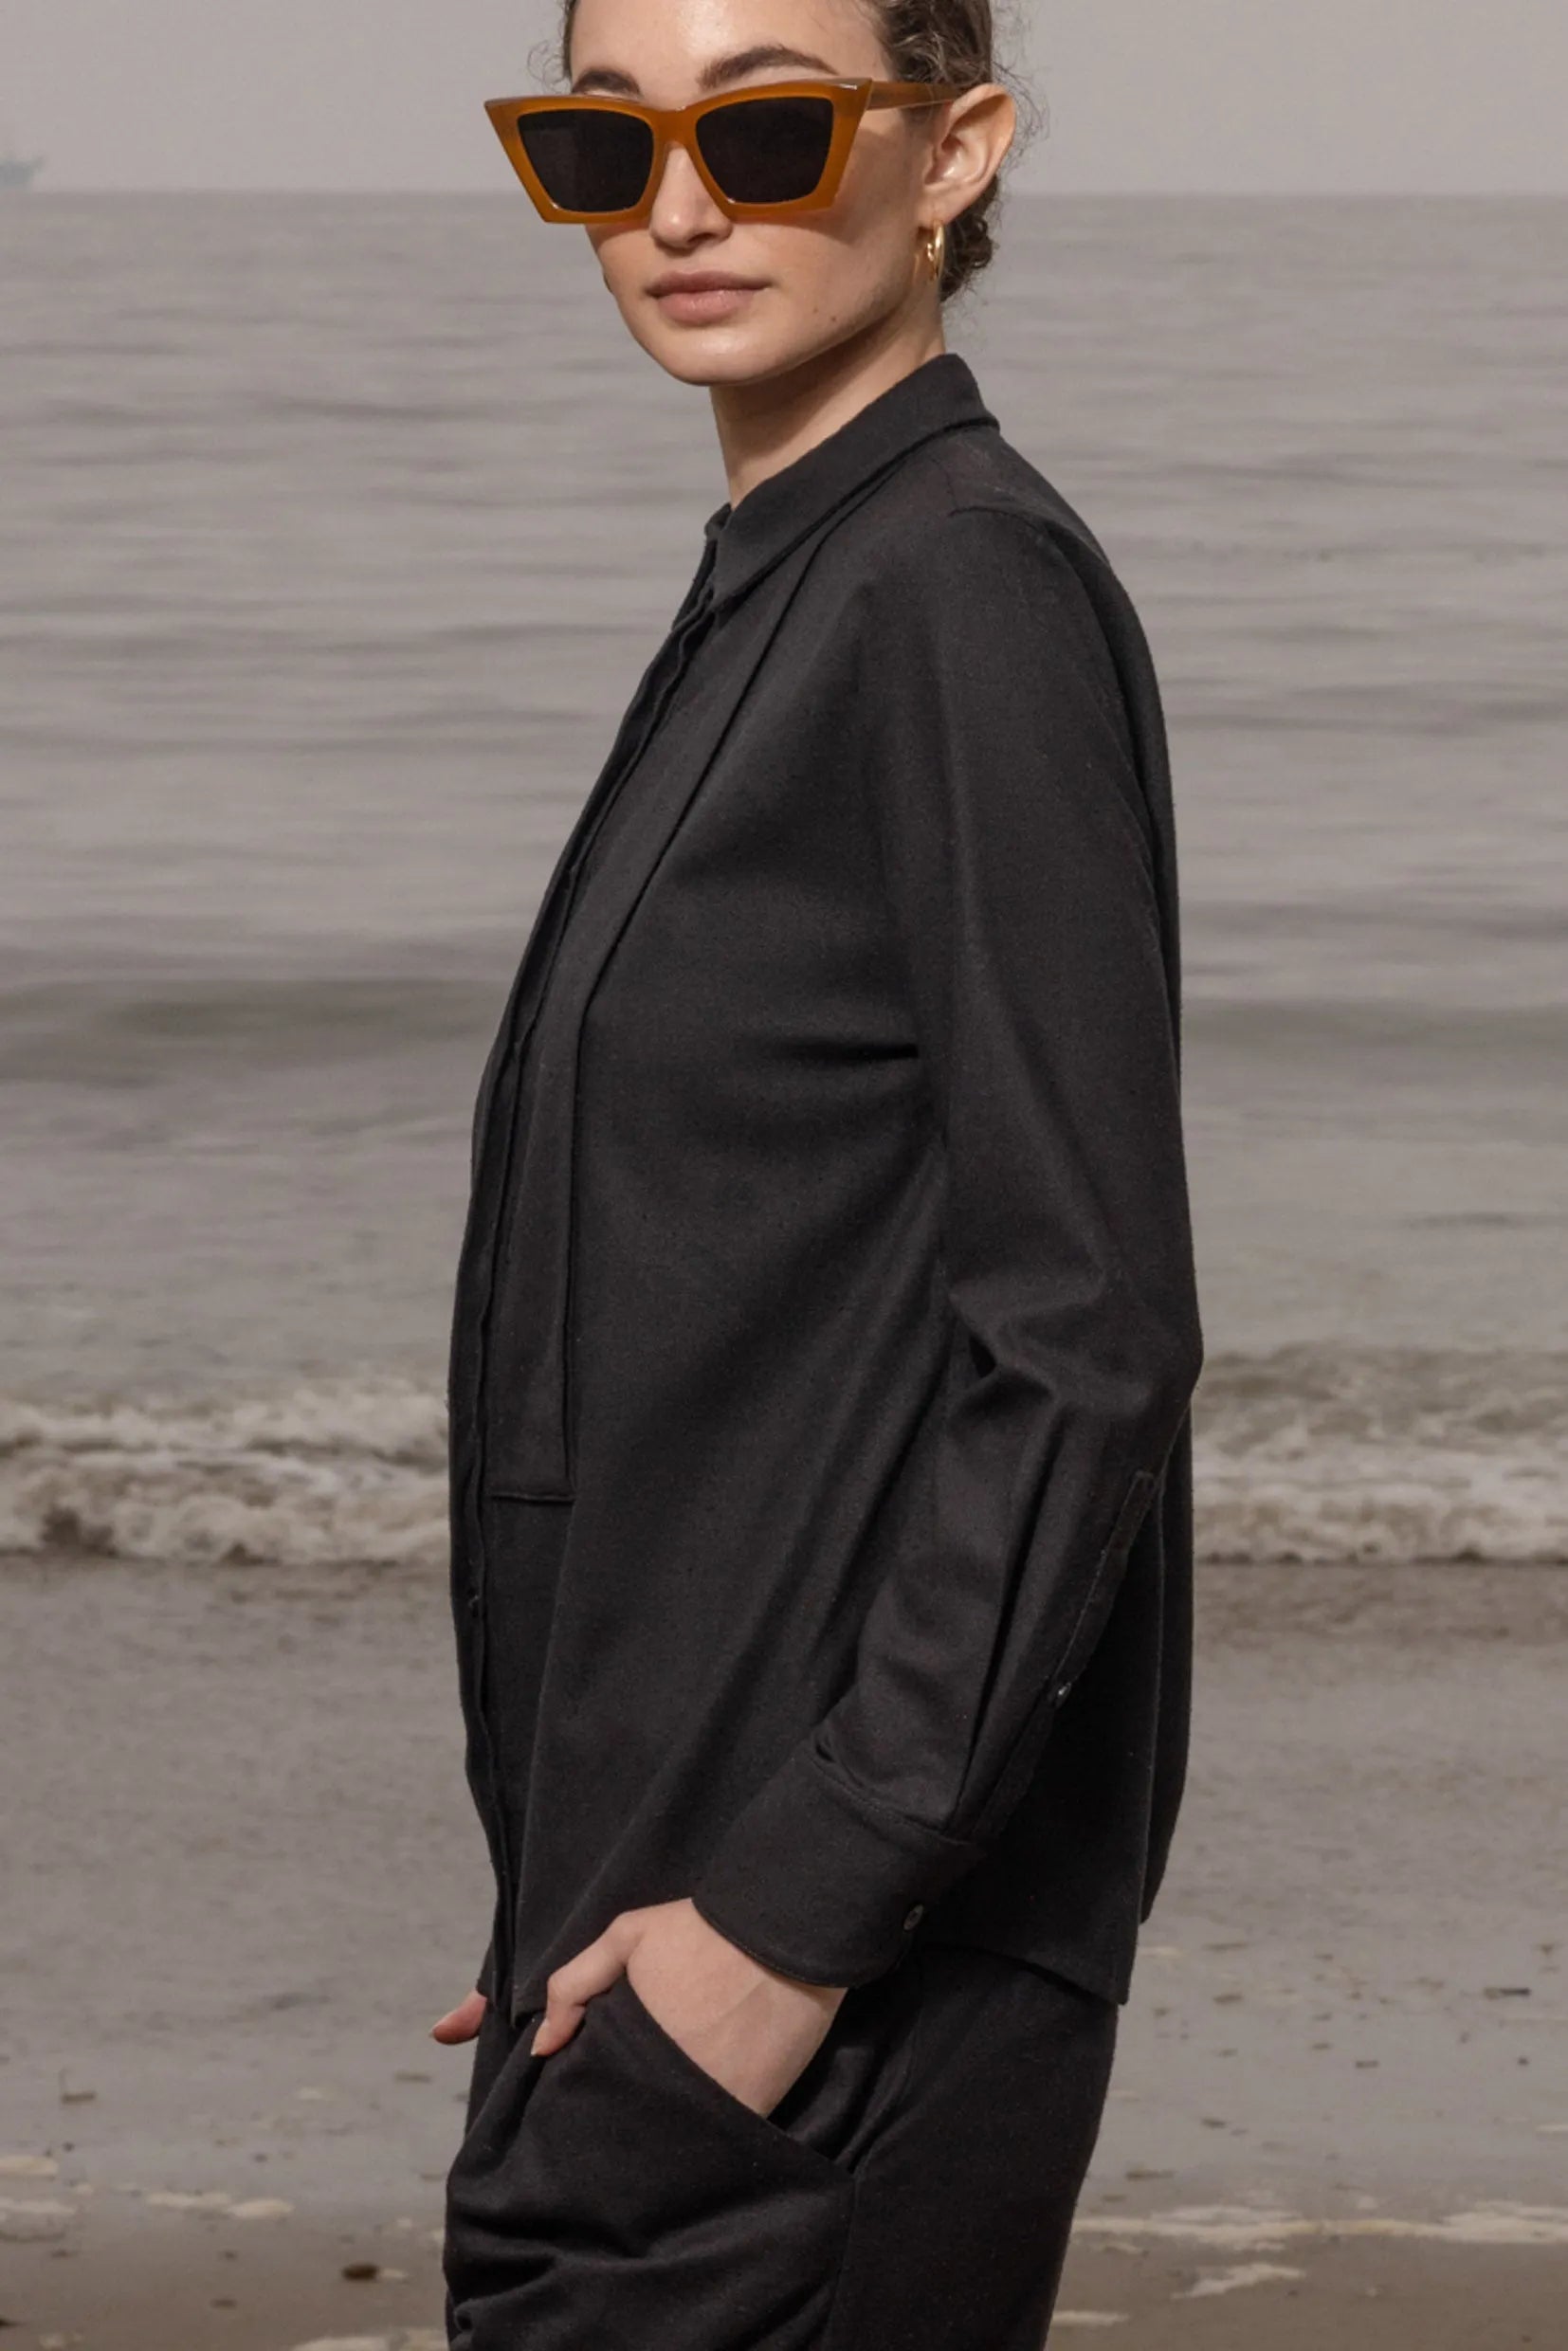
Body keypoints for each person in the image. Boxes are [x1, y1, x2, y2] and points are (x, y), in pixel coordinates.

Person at [434, 1, 1204, 2343]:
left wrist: (785, 1915)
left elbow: (1084, 1333)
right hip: (663, 1905)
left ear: (950, 150)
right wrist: (604, 1869)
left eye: (766, 129)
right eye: (603, 147)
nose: (677, 207)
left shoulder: (956, 590)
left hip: (823, 1976)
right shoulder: (796, 575)